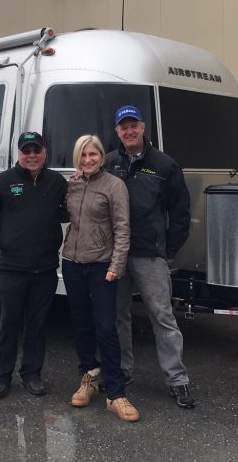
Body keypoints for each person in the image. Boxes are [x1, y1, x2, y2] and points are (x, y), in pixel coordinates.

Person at [105, 105, 195, 409]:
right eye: (124, 127)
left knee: (162, 316)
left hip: (149, 253)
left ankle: (177, 380)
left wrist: (170, 250)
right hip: (116, 254)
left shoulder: (165, 165)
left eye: (134, 126)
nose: (129, 131)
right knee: (118, 315)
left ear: (143, 128)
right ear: (117, 131)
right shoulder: (109, 163)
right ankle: (122, 371)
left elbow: (180, 212)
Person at [0, 132, 68, 400]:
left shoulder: (56, 182)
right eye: (26, 151)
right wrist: (1, 239)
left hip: (45, 269)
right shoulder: (2, 181)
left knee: (37, 325)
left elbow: (66, 211)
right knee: (8, 324)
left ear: (45, 152)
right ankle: (1, 376)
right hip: (12, 269)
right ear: (18, 153)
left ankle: (32, 374)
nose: (32, 155)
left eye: (36, 150)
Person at [62, 134, 139, 422]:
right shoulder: (72, 184)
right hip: (72, 263)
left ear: (101, 156)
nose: (88, 159)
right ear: (77, 158)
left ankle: (116, 394)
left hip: (102, 266)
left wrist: (116, 265)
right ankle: (89, 379)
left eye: (93, 154)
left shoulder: (114, 185)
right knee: (82, 325)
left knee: (106, 327)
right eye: (83, 155)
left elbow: (122, 228)